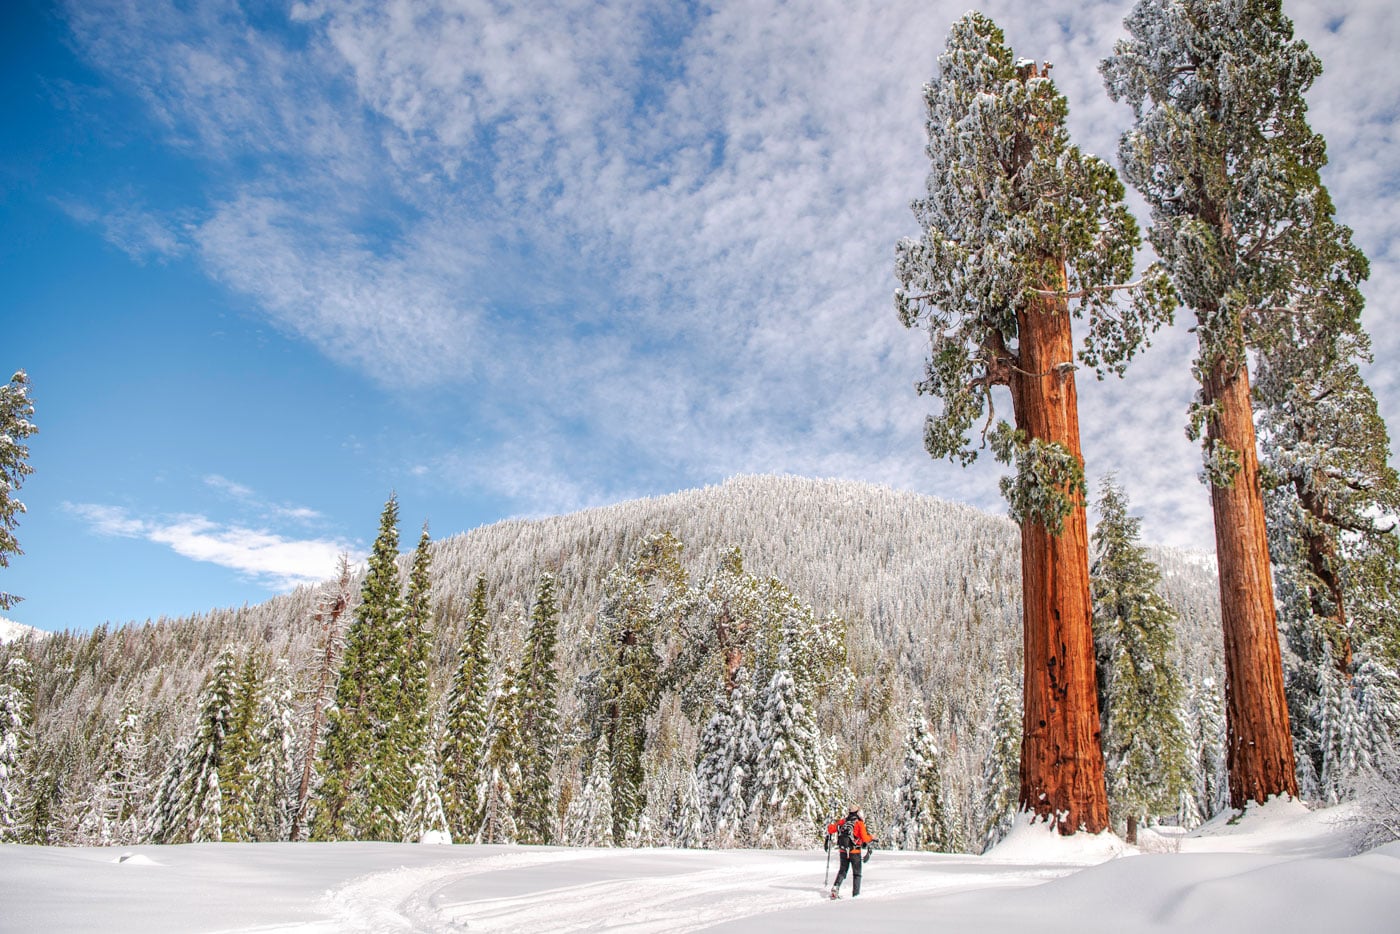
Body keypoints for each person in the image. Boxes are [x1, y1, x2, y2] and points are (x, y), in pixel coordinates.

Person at [826, 805, 875, 898]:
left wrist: (830, 825)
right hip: (855, 852)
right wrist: (872, 837)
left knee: (842, 870)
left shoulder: (844, 821)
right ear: (857, 812)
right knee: (857, 874)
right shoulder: (859, 823)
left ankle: (835, 888)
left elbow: (831, 829)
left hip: (843, 850)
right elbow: (865, 838)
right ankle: (856, 895)